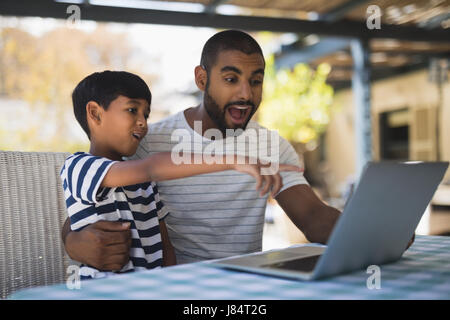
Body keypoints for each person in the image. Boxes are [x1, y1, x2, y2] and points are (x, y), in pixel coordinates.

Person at [62, 30, 412, 270]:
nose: (246, 93)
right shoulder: (147, 141)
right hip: (176, 285)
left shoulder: (270, 146)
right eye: (231, 79)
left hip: (246, 286)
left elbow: (315, 220)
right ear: (202, 79)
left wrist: (375, 231)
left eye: (256, 80)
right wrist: (73, 241)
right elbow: (88, 200)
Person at [62, 70, 302, 278]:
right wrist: (233, 161)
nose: (143, 123)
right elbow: (151, 166)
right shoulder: (79, 166)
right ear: (95, 113)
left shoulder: (145, 185)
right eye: (132, 110)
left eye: (145, 114)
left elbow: (165, 245)